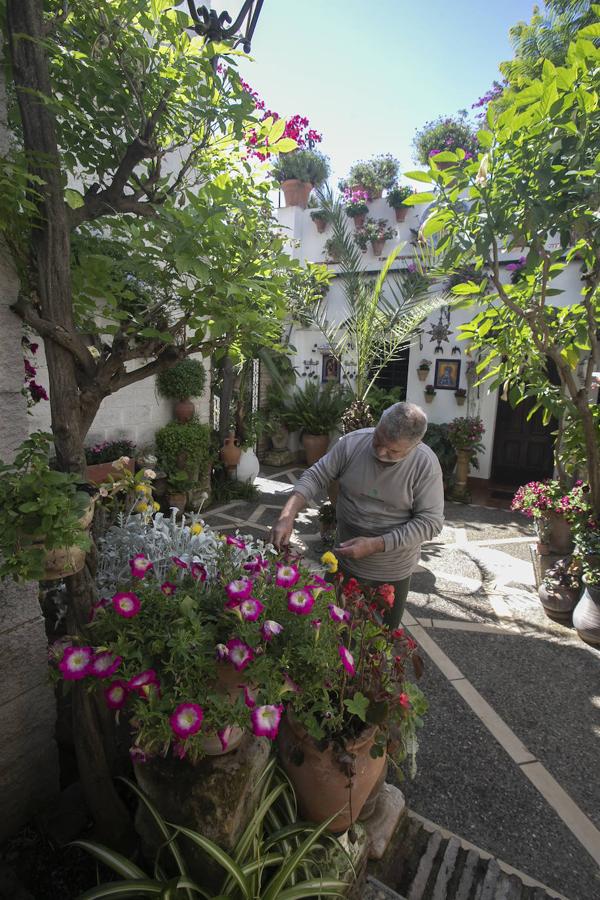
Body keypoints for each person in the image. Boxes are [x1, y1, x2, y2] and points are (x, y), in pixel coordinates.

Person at [270, 402, 444, 628]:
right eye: (378, 440)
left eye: (393, 451)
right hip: (343, 561)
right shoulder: (352, 443)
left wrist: (375, 544)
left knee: (378, 639)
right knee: (329, 631)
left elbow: (430, 522)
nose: (380, 452)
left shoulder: (425, 464)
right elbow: (316, 475)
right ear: (378, 424)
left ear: (414, 446)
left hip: (392, 571)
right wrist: (287, 515)